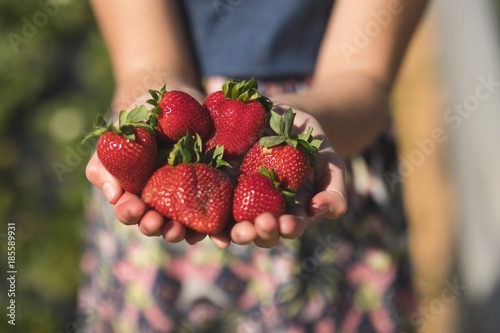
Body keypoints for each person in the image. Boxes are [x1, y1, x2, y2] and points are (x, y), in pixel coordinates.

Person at [79, 0, 428, 332]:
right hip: (163, 168)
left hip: (320, 170)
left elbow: (364, 77)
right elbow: (145, 66)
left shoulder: (288, 137)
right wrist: (154, 113)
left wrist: (290, 125)